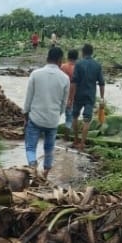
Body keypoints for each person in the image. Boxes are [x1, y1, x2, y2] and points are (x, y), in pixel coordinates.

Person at [23, 46, 70, 181]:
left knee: (30, 147)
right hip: (52, 120)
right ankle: (45, 175)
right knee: (49, 149)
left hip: (35, 118)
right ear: (60, 60)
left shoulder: (36, 74)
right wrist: (57, 115)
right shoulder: (65, 78)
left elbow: (28, 99)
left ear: (47, 58)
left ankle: (32, 165)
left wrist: (25, 115)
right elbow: (63, 103)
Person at [68, 42, 105, 151]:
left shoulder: (78, 64)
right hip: (90, 95)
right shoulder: (97, 65)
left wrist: (71, 97)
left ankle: (75, 140)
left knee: (74, 116)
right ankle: (82, 144)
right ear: (92, 53)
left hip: (79, 94)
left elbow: (74, 82)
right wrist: (102, 98)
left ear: (83, 52)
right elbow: (102, 83)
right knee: (86, 120)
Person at [60, 48, 78, 143]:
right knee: (70, 118)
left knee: (57, 115)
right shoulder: (77, 68)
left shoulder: (63, 67)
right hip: (73, 96)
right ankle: (66, 137)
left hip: (62, 95)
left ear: (68, 56)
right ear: (77, 57)